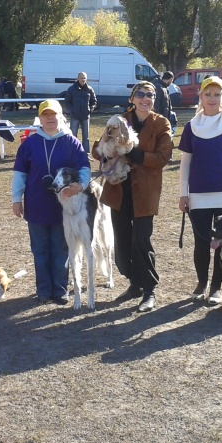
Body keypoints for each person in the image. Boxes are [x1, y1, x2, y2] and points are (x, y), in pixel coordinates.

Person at [92, 81, 172, 312]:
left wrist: (133, 153)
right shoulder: (118, 120)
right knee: (123, 246)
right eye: (141, 95)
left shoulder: (161, 123)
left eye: (150, 95)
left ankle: (149, 290)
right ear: (133, 98)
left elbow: (162, 158)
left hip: (145, 193)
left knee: (140, 241)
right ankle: (135, 283)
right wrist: (107, 151)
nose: (145, 99)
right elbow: (97, 150)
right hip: (118, 191)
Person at [178, 75, 222, 306]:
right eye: (207, 94)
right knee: (201, 244)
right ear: (200, 96)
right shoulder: (191, 127)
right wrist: (183, 193)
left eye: (217, 94)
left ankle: (217, 287)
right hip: (198, 195)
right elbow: (185, 163)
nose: (212, 98)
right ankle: (202, 283)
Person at [12, 99, 90, 305]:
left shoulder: (71, 142)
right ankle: (44, 290)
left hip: (63, 208)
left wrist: (81, 185)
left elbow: (83, 167)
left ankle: (60, 290)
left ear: (60, 116)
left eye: (53, 114)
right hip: (36, 205)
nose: (50, 118)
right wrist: (16, 199)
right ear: (40, 118)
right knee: (40, 249)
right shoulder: (30, 144)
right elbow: (20, 173)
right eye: (45, 115)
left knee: (61, 248)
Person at [63, 72, 97, 153]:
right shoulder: (71, 89)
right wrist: (72, 110)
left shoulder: (90, 89)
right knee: (73, 136)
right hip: (75, 116)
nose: (83, 79)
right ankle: (72, 153)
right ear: (77, 79)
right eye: (81, 78)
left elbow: (94, 101)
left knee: (86, 137)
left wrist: (90, 109)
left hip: (85, 117)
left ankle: (86, 154)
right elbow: (67, 102)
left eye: (84, 78)